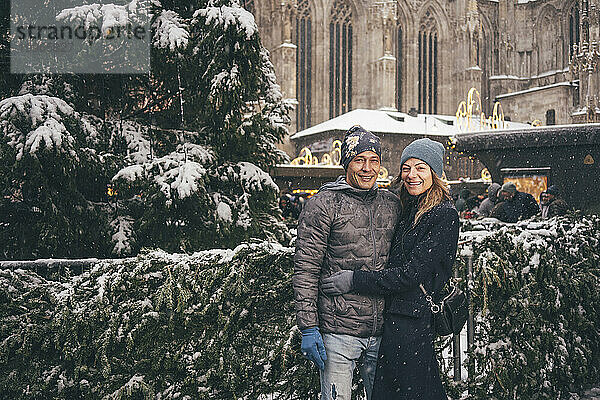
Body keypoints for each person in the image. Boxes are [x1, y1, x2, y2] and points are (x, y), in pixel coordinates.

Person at [322, 138, 459, 400]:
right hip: (396, 318)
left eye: (420, 168)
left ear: (435, 173)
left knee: (410, 392)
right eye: (406, 168)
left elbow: (410, 274)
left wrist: (354, 279)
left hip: (413, 323)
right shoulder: (410, 207)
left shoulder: (442, 214)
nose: (411, 175)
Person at [293, 126, 399, 400]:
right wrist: (309, 327)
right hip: (339, 330)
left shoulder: (390, 203)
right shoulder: (324, 204)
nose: (367, 168)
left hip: (383, 328)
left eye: (373, 160)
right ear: (346, 163)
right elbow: (306, 269)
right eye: (359, 160)